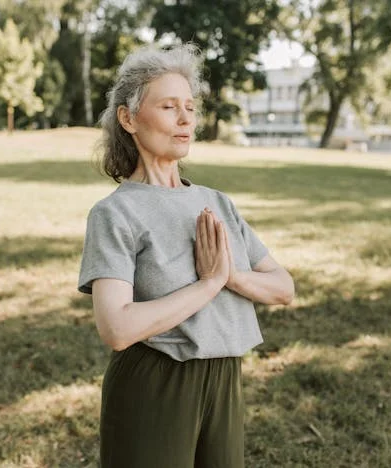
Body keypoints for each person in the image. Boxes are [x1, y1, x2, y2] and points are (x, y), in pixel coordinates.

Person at [78, 44, 295, 468]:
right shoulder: (116, 212)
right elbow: (117, 328)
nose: (185, 120)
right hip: (155, 382)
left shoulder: (218, 203)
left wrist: (231, 276)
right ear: (128, 118)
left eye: (190, 108)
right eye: (169, 106)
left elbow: (284, 288)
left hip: (224, 379)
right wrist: (209, 284)